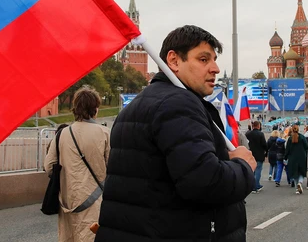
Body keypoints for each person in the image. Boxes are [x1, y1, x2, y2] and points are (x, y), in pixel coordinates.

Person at [95, 25, 257, 242]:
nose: (216, 68)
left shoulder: (136, 106)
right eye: (203, 59)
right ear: (173, 60)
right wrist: (243, 166)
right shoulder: (178, 104)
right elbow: (204, 182)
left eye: (214, 59)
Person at [44, 86, 110, 242]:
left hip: (66, 204)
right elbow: (114, 168)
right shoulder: (105, 133)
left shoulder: (62, 134)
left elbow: (49, 166)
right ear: (95, 108)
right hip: (95, 204)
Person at [284, 125, 308, 194]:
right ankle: (300, 183)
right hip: (301, 157)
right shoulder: (302, 137)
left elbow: (287, 150)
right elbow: (306, 147)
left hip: (292, 158)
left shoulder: (290, 138)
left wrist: (285, 157)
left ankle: (297, 189)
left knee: (295, 173)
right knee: (301, 172)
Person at [246, 120, 267, 193]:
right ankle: (256, 186)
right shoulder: (261, 134)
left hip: (251, 154)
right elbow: (264, 144)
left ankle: (253, 185)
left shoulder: (248, 134)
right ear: (258, 126)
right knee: (258, 170)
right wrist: (266, 151)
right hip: (259, 154)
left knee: (252, 171)